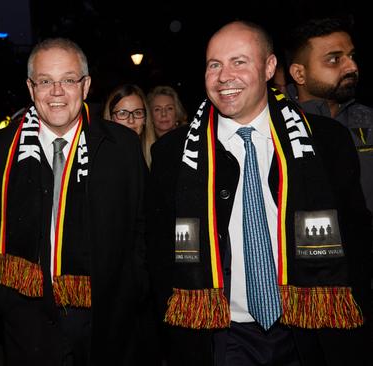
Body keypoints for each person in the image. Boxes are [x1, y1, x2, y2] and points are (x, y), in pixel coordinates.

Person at [148, 21, 371, 365]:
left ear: (269, 68)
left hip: (311, 329)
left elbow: (357, 240)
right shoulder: (171, 154)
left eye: (239, 61)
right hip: (222, 335)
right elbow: (159, 256)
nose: (224, 76)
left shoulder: (327, 142)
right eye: (214, 64)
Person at [0, 37, 148, 365]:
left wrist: (130, 293)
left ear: (86, 85)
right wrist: (2, 297)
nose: (57, 92)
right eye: (46, 81)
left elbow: (142, 225)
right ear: (30, 88)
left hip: (107, 322)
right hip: (27, 320)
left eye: (68, 80)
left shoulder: (121, 146)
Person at [286, 17, 373, 220]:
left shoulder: (368, 120)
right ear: (299, 74)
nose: (351, 67)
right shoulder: (273, 125)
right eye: (334, 59)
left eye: (351, 56)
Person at [102, 83, 156, 166]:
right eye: (123, 113)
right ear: (111, 118)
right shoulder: (102, 161)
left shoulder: (157, 157)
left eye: (138, 113)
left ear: (145, 118)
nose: (131, 120)